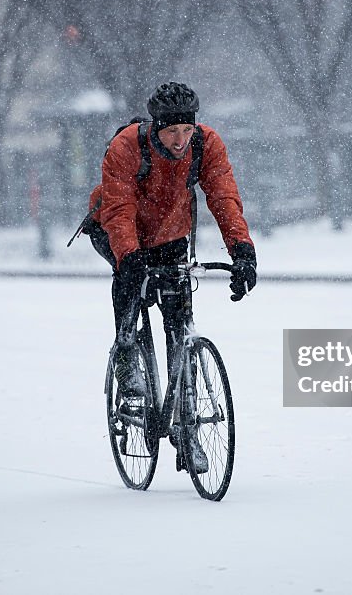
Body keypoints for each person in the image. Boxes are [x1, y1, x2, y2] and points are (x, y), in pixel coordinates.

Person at [86, 82, 257, 473]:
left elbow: (223, 196)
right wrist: (128, 256)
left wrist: (242, 252)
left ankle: (186, 427)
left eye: (187, 130)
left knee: (180, 323)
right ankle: (128, 363)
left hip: (170, 235)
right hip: (115, 229)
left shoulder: (206, 143)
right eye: (171, 131)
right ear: (155, 128)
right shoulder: (127, 148)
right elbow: (118, 206)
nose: (180, 140)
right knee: (130, 287)